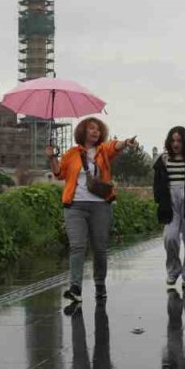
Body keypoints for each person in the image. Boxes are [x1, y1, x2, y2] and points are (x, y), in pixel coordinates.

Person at [48, 118, 139, 303]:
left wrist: (126, 142)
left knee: (99, 248)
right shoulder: (72, 153)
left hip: (100, 205)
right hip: (75, 206)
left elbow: (115, 146)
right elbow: (59, 173)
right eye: (91, 129)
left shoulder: (103, 151)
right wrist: (51, 156)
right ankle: (75, 287)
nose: (95, 132)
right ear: (83, 131)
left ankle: (99, 283)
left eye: (98, 129)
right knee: (77, 246)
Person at [153, 126, 185, 291]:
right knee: (169, 238)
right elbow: (157, 183)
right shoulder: (163, 159)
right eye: (173, 140)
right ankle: (173, 270)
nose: (176, 144)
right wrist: (160, 200)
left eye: (179, 140)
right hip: (171, 204)